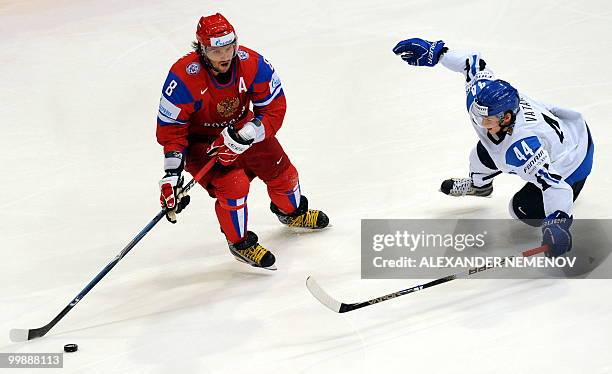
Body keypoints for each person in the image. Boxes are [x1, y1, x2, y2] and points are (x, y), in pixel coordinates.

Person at [392, 38, 594, 258]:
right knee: (481, 156)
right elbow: (471, 62)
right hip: (554, 133)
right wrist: (438, 52)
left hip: (573, 159)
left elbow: (555, 186)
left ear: (506, 118)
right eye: (478, 115)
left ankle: (565, 196)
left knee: (522, 210)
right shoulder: (481, 95)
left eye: (486, 119)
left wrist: (558, 222)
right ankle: (480, 187)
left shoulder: (524, 147)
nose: (479, 122)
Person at [156, 13, 329, 270]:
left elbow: (273, 109)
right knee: (233, 185)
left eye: (230, 48)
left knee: (284, 173)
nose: (225, 56)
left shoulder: (253, 63)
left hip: (243, 128)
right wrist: (172, 174)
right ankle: (240, 243)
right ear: (202, 50)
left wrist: (248, 133)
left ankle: (292, 213)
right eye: (217, 51)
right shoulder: (182, 77)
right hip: (203, 143)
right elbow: (172, 129)